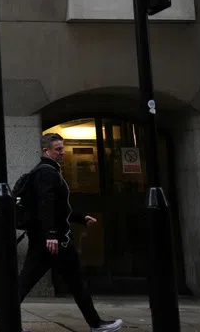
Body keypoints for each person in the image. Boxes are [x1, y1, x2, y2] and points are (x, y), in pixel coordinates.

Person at [18, 133, 122, 332]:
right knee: (31, 282)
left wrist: (80, 218)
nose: (63, 153)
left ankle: (96, 323)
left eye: (62, 148)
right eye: (58, 149)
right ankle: (96, 324)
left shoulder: (50, 171)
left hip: (51, 240)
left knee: (71, 282)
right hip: (52, 241)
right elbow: (45, 206)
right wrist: (51, 234)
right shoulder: (46, 173)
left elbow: (59, 208)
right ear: (46, 151)